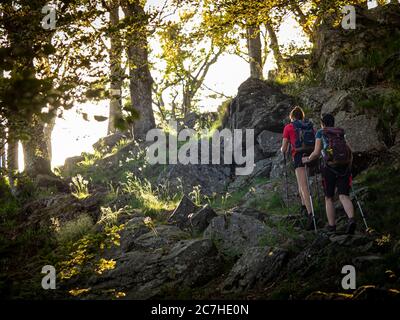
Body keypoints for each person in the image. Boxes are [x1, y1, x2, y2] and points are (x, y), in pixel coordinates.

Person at [302, 113, 356, 234]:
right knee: (344, 195)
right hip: (344, 166)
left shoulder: (320, 132)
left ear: (323, 123)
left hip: (328, 167)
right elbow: (350, 150)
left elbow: (316, 153)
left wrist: (307, 159)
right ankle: (351, 219)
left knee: (329, 197)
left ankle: (332, 226)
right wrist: (348, 164)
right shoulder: (340, 132)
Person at [281, 106, 315, 230]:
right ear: (302, 116)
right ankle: (303, 208)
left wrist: (282, 150)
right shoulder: (309, 125)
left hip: (299, 156)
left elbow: (284, 148)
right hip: (311, 155)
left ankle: (311, 214)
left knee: (303, 186)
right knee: (302, 184)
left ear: (292, 117)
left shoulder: (289, 127)